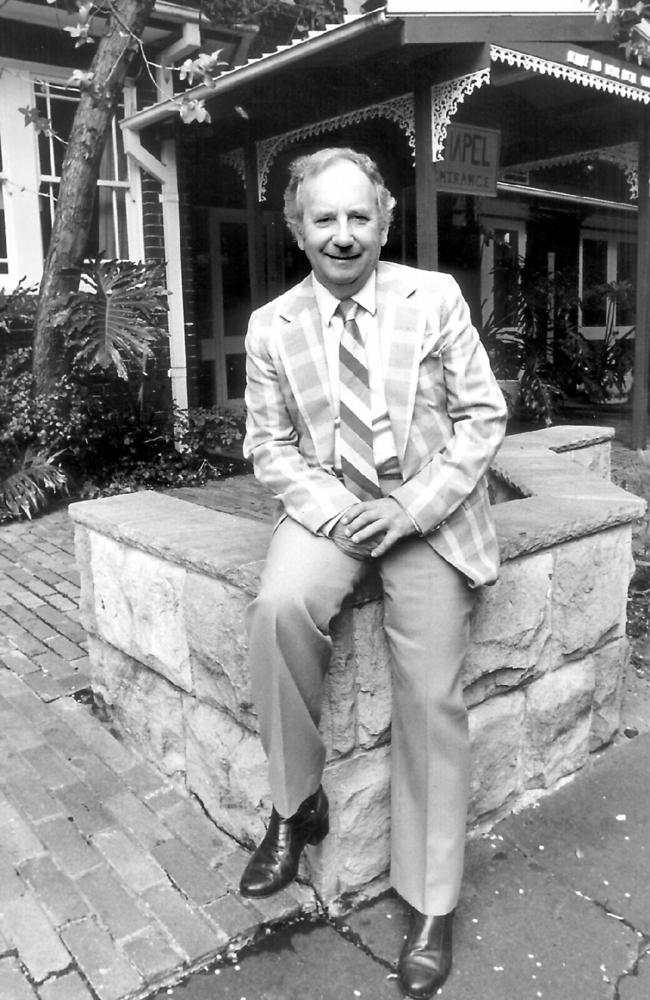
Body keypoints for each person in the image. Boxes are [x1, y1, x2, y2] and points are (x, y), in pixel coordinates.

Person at [239, 147, 507, 999]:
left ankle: (430, 900)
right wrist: (331, 510)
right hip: (332, 507)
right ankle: (295, 805)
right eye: (325, 219)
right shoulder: (271, 325)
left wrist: (411, 507)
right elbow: (268, 447)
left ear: (384, 220)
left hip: (424, 507)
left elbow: (481, 417)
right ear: (298, 227)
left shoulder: (436, 298)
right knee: (280, 606)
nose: (344, 235)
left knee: (429, 692)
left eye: (360, 218)